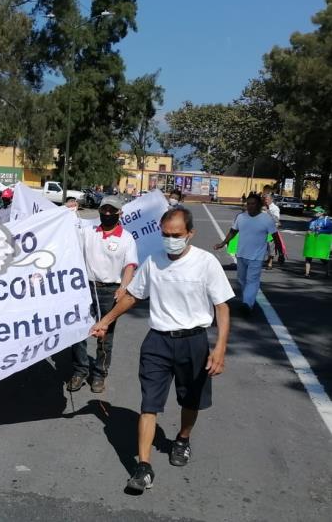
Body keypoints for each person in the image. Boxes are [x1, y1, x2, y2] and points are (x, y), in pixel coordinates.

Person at [91, 207, 233, 494]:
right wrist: (105, 320)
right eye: (165, 235)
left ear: (190, 233)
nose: (170, 240)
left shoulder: (206, 263)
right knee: (149, 403)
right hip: (157, 341)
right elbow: (132, 296)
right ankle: (143, 468)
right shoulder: (153, 261)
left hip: (193, 341)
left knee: (190, 400)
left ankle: (182, 438)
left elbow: (222, 307)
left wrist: (219, 348)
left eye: (176, 235)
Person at [68, 195, 137, 394]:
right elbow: (68, 230)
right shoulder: (88, 232)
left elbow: (130, 265)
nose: (107, 214)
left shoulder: (126, 238)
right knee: (79, 332)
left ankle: (99, 374)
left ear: (119, 214)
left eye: (111, 211)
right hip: (85, 288)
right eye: (104, 210)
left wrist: (123, 287)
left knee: (105, 336)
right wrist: (68, 209)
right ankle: (80, 371)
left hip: (111, 291)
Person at [214, 193, 282, 315]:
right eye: (248, 204)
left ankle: (247, 304)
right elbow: (233, 231)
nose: (250, 206)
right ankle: (248, 300)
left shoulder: (266, 219)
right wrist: (223, 243)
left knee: (252, 280)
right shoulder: (241, 217)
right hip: (241, 254)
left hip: (257, 257)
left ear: (259, 205)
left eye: (253, 204)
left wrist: (280, 252)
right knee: (242, 279)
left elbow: (276, 236)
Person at [304, 206, 332, 278]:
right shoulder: (312, 220)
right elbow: (309, 228)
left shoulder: (326, 220)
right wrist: (308, 231)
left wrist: (320, 231)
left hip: (321, 242)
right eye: (314, 211)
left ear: (322, 213)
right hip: (312, 241)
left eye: (316, 212)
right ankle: (307, 273)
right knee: (308, 256)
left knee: (323, 258)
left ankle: (327, 273)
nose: (314, 213)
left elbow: (330, 230)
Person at [262, 194, 282, 270]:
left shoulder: (275, 208)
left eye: (266, 199)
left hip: (271, 230)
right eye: (264, 199)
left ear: (271, 200)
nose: (265, 201)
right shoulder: (262, 207)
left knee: (271, 246)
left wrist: (267, 211)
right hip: (262, 230)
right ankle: (265, 259)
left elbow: (276, 219)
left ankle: (270, 263)